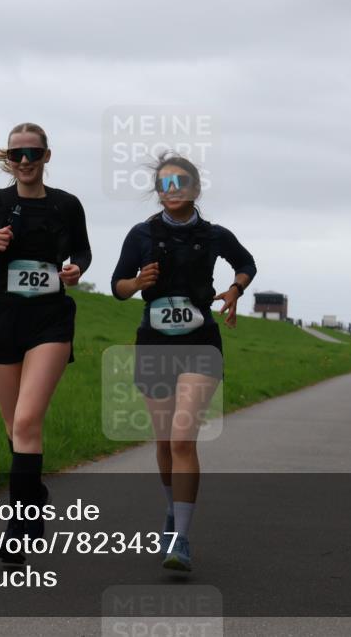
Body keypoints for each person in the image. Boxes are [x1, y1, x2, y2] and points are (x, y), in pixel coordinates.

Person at [111, 152, 256, 572]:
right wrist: (137, 282)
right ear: (158, 192)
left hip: (200, 345)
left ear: (194, 189)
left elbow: (246, 263)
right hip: (154, 344)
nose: (171, 191)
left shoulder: (214, 235)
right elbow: (118, 286)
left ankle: (180, 539)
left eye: (179, 184)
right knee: (163, 443)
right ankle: (173, 512)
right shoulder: (140, 234)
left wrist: (234, 291)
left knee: (181, 440)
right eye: (164, 185)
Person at [0, 122, 91, 564]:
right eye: (18, 155)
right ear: (7, 160)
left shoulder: (67, 205)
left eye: (34, 154)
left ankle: (18, 528)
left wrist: (74, 269)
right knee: (14, 429)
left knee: (28, 420)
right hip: (3, 320)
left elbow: (84, 251)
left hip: (50, 319)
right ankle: (34, 493)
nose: (26, 162)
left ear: (47, 156)